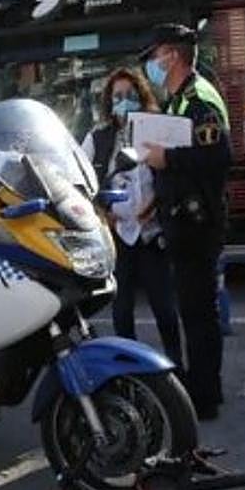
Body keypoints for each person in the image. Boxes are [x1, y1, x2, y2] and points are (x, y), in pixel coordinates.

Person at [140, 23, 231, 421]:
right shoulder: (180, 99)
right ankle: (205, 387)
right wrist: (155, 197)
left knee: (199, 315)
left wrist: (168, 160)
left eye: (155, 55)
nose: (152, 64)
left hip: (198, 223)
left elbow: (217, 159)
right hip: (184, 219)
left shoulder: (199, 100)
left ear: (172, 56)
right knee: (194, 312)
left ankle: (205, 396)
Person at [80, 68, 183, 367]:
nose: (124, 102)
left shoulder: (155, 129)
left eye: (130, 95)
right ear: (110, 102)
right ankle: (130, 371)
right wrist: (103, 214)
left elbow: (170, 174)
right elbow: (82, 182)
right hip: (117, 235)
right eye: (118, 96)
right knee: (122, 312)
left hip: (150, 233)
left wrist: (152, 206)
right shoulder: (98, 137)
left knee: (165, 309)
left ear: (142, 97)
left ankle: (177, 368)